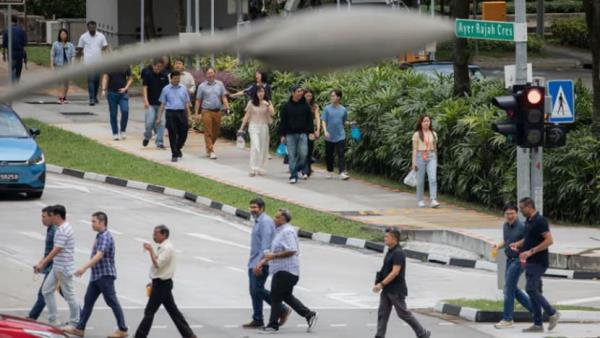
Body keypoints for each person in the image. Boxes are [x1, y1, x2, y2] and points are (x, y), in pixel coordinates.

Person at [63, 212, 128, 338]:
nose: (91, 224)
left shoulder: (105, 236)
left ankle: (123, 329)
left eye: (94, 221)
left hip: (105, 275)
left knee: (112, 301)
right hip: (97, 276)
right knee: (88, 301)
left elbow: (99, 255)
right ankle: (80, 328)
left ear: (102, 222)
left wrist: (84, 268)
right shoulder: (100, 235)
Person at [255, 209, 318, 334]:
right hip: (283, 271)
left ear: (283, 219)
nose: (274, 219)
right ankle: (309, 315)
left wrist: (274, 256)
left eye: (277, 217)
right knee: (286, 296)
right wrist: (262, 263)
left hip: (286, 271)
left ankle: (272, 325)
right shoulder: (280, 231)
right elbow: (272, 253)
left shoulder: (287, 231)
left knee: (275, 297)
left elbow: (292, 250)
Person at [134, 225, 197, 338]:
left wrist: (150, 250)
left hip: (162, 285)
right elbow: (159, 268)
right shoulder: (163, 247)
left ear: (164, 234)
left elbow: (157, 264)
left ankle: (140, 335)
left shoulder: (168, 248)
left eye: (156, 233)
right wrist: (153, 280)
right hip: (160, 283)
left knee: (150, 311)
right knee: (173, 311)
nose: (154, 235)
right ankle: (189, 335)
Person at [510, 198, 560, 333]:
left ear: (529, 206)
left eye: (522, 208)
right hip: (530, 262)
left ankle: (552, 313)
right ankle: (538, 324)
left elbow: (549, 240)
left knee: (531, 289)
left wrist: (531, 251)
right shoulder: (529, 221)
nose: (520, 211)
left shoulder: (540, 221)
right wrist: (518, 244)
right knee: (534, 292)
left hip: (539, 262)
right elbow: (528, 238)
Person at [373, 227, 430, 338]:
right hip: (387, 289)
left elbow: (395, 272)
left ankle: (422, 333)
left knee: (403, 314)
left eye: (387, 237)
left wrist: (381, 284)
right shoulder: (390, 251)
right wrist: (379, 281)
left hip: (396, 290)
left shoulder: (398, 253)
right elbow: (386, 269)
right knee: (382, 313)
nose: (385, 239)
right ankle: (379, 335)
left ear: (394, 239)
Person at [243, 198, 290, 328]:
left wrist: (261, 263)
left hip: (261, 263)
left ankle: (281, 308)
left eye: (255, 207)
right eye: (251, 207)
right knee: (254, 291)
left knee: (257, 289)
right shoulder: (259, 221)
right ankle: (257, 319)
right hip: (254, 261)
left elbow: (266, 246)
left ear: (262, 208)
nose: (252, 210)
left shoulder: (265, 222)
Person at [34, 205, 80, 327]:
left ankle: (76, 322)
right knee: (46, 291)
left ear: (58, 216)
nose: (51, 218)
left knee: (69, 295)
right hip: (57, 267)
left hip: (64, 268)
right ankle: (53, 320)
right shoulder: (61, 228)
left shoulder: (63, 230)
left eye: (52, 216)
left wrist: (43, 263)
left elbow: (56, 250)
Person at [493, 203, 532, 329]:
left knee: (508, 289)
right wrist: (498, 245)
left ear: (517, 214)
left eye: (512, 213)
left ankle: (508, 319)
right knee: (512, 289)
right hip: (509, 259)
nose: (510, 216)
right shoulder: (505, 226)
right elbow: (506, 240)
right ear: (504, 215)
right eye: (507, 214)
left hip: (519, 260)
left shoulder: (522, 226)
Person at [27, 206, 62, 320]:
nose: (42, 219)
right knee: (65, 293)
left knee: (44, 292)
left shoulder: (55, 230)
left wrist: (42, 264)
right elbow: (48, 251)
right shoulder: (50, 229)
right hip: (54, 266)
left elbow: (55, 251)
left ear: (52, 216)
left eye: (44, 217)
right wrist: (41, 263)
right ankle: (80, 318)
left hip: (57, 267)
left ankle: (33, 317)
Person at [279, 85, 313, 184]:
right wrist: (282, 135)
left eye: (301, 91)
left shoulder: (305, 105)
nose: (300, 93)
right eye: (298, 91)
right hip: (290, 135)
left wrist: (310, 132)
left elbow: (309, 120)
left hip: (303, 134)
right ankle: (293, 176)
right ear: (293, 93)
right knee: (292, 156)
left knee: (304, 154)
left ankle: (296, 169)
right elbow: (283, 121)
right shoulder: (286, 106)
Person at [194, 67, 230, 159]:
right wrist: (196, 113)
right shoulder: (202, 86)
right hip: (206, 111)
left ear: (215, 73)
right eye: (208, 73)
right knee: (208, 132)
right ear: (206, 75)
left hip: (217, 111)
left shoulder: (220, 84)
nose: (210, 75)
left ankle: (208, 147)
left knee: (216, 132)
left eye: (211, 73)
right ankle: (211, 150)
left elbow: (223, 97)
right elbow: (198, 100)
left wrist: (227, 107)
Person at [239, 86, 275, 176]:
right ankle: (252, 169)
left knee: (263, 148)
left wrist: (268, 105)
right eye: (259, 92)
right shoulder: (251, 103)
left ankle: (261, 168)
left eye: (262, 92)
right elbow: (247, 116)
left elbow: (273, 113)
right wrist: (241, 128)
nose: (260, 94)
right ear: (255, 93)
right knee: (255, 146)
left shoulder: (267, 102)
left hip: (264, 126)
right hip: (253, 126)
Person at [157, 71, 192, 162]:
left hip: (181, 112)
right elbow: (162, 104)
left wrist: (189, 116)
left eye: (178, 78)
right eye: (175, 78)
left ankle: (178, 147)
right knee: (172, 133)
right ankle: (174, 154)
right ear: (171, 79)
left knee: (184, 133)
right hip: (170, 113)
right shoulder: (165, 89)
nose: (177, 80)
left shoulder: (183, 88)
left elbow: (186, 103)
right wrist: (159, 117)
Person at [77, 21, 109, 106]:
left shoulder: (101, 36)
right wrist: (77, 60)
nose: (92, 29)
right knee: (91, 79)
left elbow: (105, 48)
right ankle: (91, 98)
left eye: (93, 28)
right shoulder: (83, 37)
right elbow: (79, 49)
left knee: (96, 80)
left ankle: (95, 96)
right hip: (88, 62)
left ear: (96, 27)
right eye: (90, 28)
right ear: (87, 28)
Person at [411, 115, 439, 208]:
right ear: (421, 123)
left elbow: (435, 148)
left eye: (428, 121)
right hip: (420, 157)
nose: (426, 123)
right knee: (420, 180)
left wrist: (435, 158)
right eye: (424, 121)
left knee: (433, 178)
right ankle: (420, 200)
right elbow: (414, 149)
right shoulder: (417, 134)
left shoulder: (434, 134)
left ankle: (433, 199)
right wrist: (414, 162)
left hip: (431, 156)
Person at [321, 89, 349, 180]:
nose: (332, 97)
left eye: (333, 96)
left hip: (340, 135)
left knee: (341, 154)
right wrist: (325, 131)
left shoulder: (343, 109)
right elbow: (324, 121)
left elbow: (344, 121)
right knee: (329, 154)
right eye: (331, 96)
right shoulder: (327, 108)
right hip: (329, 135)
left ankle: (342, 172)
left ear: (339, 97)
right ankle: (329, 171)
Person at [142, 59, 170, 149]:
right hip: (150, 103)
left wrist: (166, 102)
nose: (158, 68)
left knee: (161, 123)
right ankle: (147, 136)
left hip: (161, 104)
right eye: (157, 66)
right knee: (149, 122)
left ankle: (159, 142)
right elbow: (145, 88)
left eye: (160, 67)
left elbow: (166, 90)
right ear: (153, 66)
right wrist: (145, 100)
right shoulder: (148, 75)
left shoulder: (164, 76)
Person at [102, 65, 133, 141]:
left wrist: (126, 88)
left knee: (125, 111)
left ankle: (123, 130)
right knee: (113, 113)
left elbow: (130, 79)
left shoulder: (126, 65)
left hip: (123, 93)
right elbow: (105, 77)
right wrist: (103, 89)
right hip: (112, 93)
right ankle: (115, 132)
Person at [50, 29, 75, 104]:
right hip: (58, 65)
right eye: (62, 34)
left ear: (67, 35)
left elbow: (73, 55)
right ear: (59, 35)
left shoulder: (70, 45)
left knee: (66, 82)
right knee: (59, 82)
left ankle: (64, 97)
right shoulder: (55, 44)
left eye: (65, 34)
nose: (63, 35)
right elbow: (52, 55)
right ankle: (60, 97)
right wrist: (52, 66)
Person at [2, 16, 28, 83]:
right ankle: (16, 85)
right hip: (20, 55)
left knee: (12, 71)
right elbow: (24, 46)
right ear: (17, 21)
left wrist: (4, 54)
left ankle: (13, 87)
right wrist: (25, 58)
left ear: (10, 22)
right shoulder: (22, 31)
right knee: (18, 72)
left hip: (11, 55)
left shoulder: (7, 31)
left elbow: (4, 44)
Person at [302, 90, 320, 177]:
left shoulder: (314, 106)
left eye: (310, 96)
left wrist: (318, 129)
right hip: (301, 130)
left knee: (309, 149)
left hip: (311, 130)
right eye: (307, 96)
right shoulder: (300, 104)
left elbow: (317, 118)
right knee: (303, 150)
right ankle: (305, 170)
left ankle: (308, 168)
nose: (309, 97)